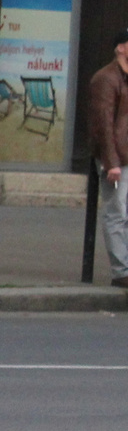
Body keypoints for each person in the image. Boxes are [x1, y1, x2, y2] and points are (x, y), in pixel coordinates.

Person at [89, 29, 128, 288]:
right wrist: (111, 162)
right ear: (121, 48)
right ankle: (121, 271)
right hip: (117, 156)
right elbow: (103, 122)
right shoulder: (106, 78)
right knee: (117, 212)